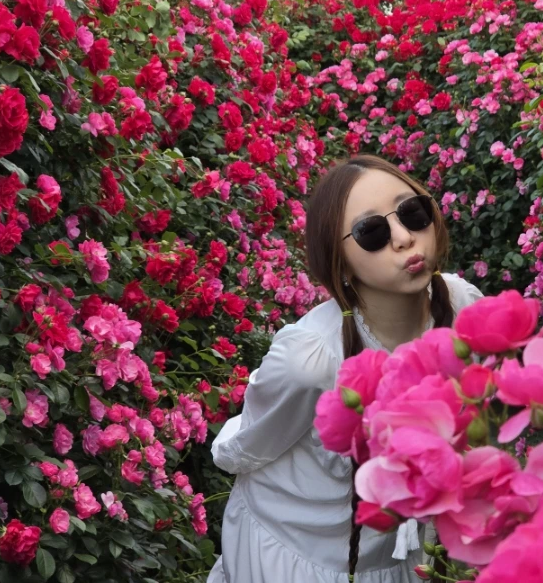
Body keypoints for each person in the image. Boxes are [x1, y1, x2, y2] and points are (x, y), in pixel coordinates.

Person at [207, 155, 484, 583]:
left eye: (413, 213)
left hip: (398, 556)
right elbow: (249, 448)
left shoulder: (463, 307)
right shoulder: (310, 360)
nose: (404, 238)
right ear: (339, 261)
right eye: (371, 232)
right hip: (297, 555)